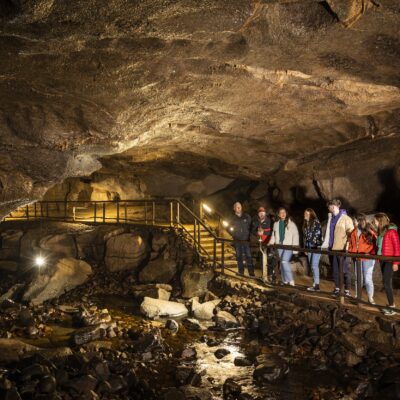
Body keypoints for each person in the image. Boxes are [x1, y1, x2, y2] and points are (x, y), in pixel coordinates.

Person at [321, 199, 354, 297]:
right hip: (332, 248)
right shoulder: (331, 218)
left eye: (332, 206)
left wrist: (347, 246)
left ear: (336, 206)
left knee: (344, 270)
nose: (330, 207)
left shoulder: (346, 218)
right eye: (329, 206)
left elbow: (351, 233)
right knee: (335, 270)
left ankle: (347, 290)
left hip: (342, 249)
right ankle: (337, 288)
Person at [373, 213, 400, 316]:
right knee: (386, 283)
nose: (374, 223)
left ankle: (392, 307)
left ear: (380, 221)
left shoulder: (392, 231)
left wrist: (396, 263)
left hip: (389, 260)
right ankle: (391, 305)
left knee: (387, 284)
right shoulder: (382, 232)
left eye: (375, 221)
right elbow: (379, 247)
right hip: (383, 260)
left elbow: (397, 248)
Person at [348, 214, 377, 304]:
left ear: (360, 221)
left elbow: (375, 245)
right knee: (358, 278)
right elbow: (351, 245)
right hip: (357, 258)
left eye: (355, 220)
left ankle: (370, 298)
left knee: (368, 278)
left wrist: (371, 254)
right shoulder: (353, 232)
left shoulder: (369, 231)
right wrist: (351, 252)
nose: (354, 222)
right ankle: (358, 296)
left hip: (368, 258)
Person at [270, 207, 299, 286]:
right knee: (282, 263)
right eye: (281, 212)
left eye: (284, 212)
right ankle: (285, 280)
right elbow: (273, 234)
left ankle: (291, 279)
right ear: (278, 214)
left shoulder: (291, 224)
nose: (283, 214)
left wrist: (295, 249)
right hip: (279, 246)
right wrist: (270, 243)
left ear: (286, 213)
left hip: (288, 246)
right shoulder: (276, 224)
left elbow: (295, 236)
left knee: (284, 261)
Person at [230, 202, 254, 277]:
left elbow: (251, 226)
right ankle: (241, 272)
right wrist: (234, 235)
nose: (239, 208)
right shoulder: (232, 219)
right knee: (239, 256)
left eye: (239, 206)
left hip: (246, 240)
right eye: (237, 207)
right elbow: (229, 228)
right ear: (234, 209)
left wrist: (248, 235)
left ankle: (251, 273)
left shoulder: (247, 216)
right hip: (237, 241)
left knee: (249, 256)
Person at [252, 207, 274, 282]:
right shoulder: (256, 221)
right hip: (261, 242)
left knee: (270, 259)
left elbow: (272, 232)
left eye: (263, 213)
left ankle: (270, 275)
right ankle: (264, 275)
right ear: (258, 214)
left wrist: (263, 232)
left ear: (265, 213)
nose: (261, 214)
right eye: (260, 213)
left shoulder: (269, 221)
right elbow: (253, 230)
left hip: (269, 242)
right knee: (262, 259)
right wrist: (257, 233)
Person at [303, 208, 323, 292]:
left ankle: (317, 286)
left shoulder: (316, 222)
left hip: (316, 246)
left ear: (311, 215)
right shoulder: (305, 223)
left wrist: (313, 245)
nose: (305, 215)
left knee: (314, 265)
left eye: (307, 214)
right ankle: (315, 284)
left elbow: (317, 234)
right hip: (309, 246)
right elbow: (305, 237)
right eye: (305, 214)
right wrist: (306, 248)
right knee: (312, 265)